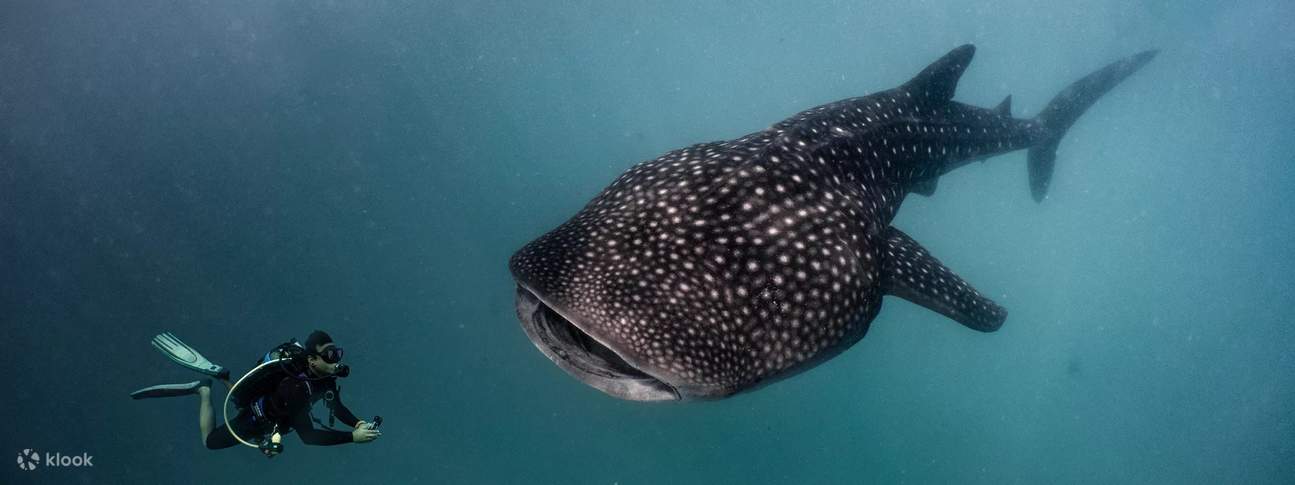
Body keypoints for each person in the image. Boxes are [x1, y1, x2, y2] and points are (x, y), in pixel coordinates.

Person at [132, 330, 380, 455]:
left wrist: (357, 423)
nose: (335, 360)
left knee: (240, 396)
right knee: (211, 442)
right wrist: (352, 437)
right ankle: (203, 391)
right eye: (329, 355)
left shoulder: (323, 378)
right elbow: (309, 436)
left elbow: (336, 406)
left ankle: (223, 378)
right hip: (258, 419)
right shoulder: (294, 388)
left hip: (277, 416)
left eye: (337, 354)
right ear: (312, 359)